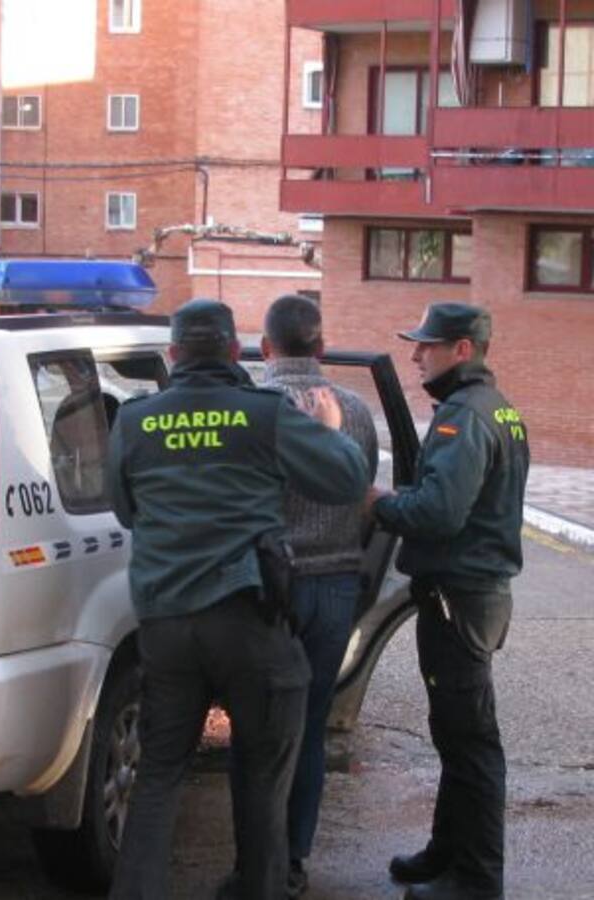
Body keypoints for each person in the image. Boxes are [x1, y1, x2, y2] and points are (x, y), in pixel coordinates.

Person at [106, 299, 371, 900]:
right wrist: (327, 432)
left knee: (158, 776)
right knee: (260, 776)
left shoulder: (134, 419)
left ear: (173, 356)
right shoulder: (265, 414)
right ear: (235, 352)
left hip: (166, 623)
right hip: (248, 620)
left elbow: (126, 509)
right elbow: (348, 481)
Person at [367, 303, 529, 900]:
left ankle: (476, 880)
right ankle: (446, 852)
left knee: (471, 744)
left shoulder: (466, 418)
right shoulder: (496, 409)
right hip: (470, 596)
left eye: (427, 346)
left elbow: (438, 512)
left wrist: (378, 502)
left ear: (463, 349)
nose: (416, 356)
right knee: (455, 736)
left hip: (459, 599)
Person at [227, 294, 379, 898]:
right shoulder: (355, 410)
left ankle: (253, 866)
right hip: (335, 588)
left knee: (254, 728)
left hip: (267, 590)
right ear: (320, 347)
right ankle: (293, 860)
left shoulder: (249, 409)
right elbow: (363, 494)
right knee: (309, 727)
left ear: (264, 348)